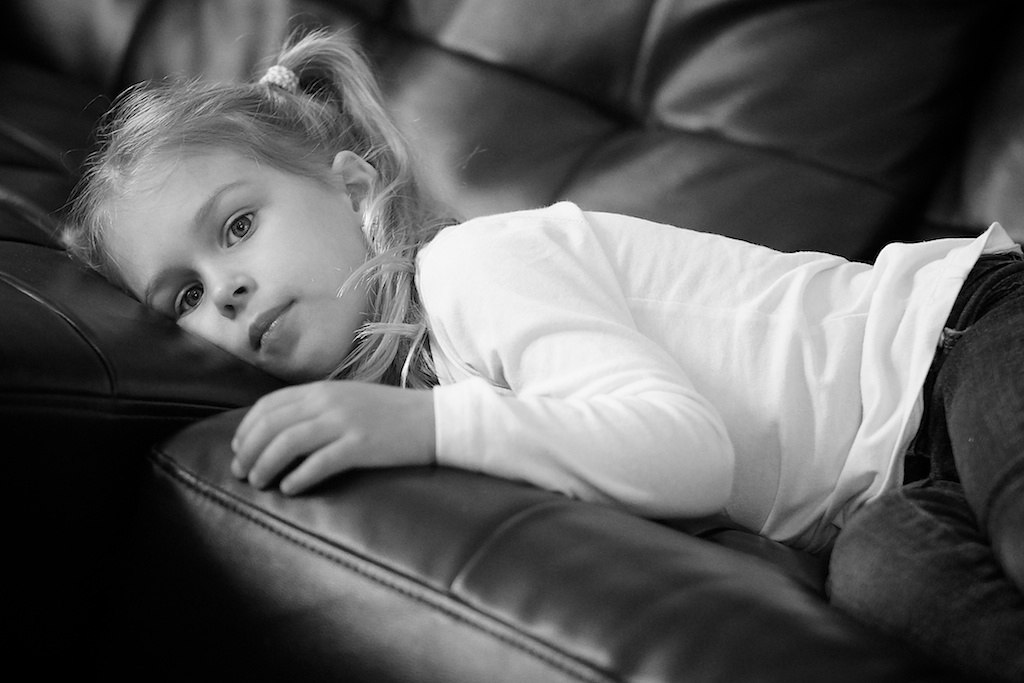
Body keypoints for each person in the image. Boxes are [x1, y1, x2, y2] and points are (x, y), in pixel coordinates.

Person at [62, 30, 1022, 681]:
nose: (224, 291)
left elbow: (687, 448)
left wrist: (429, 424)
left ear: (351, 187)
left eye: (237, 226)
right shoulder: (438, 373)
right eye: (183, 296)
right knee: (891, 584)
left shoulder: (473, 267)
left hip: (961, 336)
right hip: (889, 489)